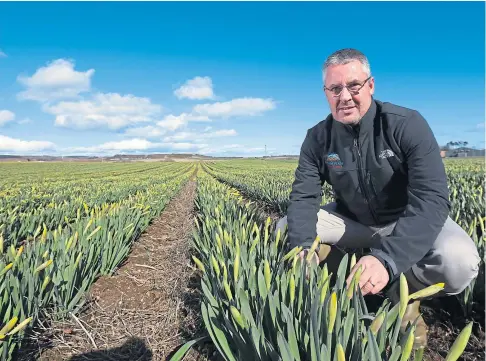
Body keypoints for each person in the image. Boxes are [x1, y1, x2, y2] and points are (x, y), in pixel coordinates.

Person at [276, 48, 480, 349]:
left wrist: (387, 260)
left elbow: (433, 199)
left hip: (404, 218)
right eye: (335, 88)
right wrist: (303, 248)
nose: (344, 96)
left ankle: (402, 291)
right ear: (326, 93)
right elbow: (304, 196)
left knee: (460, 262)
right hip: (354, 220)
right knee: (286, 231)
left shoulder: (406, 124)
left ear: (370, 86)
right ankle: (347, 271)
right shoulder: (318, 137)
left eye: (353, 85)